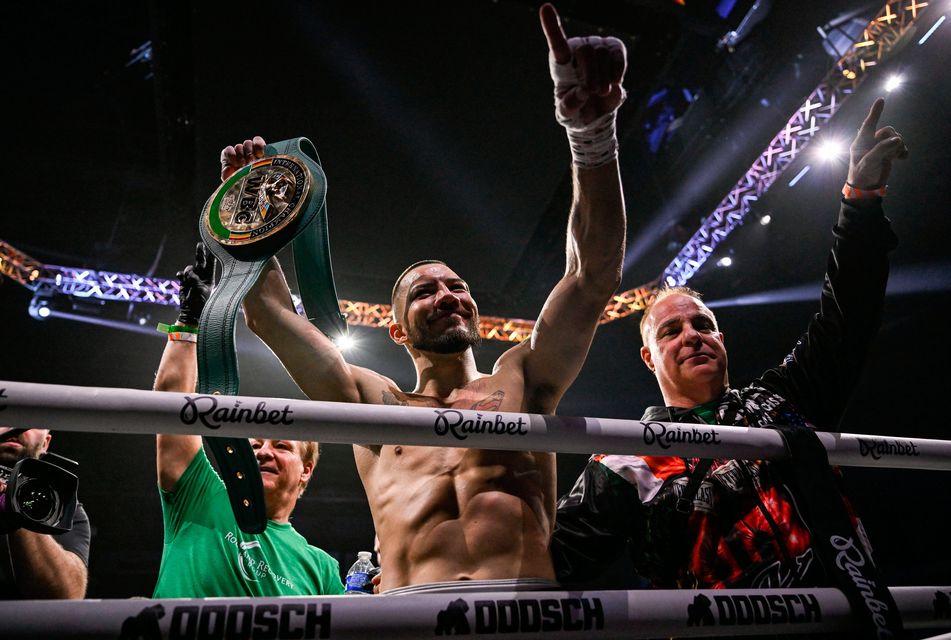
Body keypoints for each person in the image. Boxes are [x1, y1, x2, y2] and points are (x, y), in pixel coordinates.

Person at [219, 3, 627, 593]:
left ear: (477, 313)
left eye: (457, 286)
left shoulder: (523, 379)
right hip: (409, 613)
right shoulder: (371, 401)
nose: (447, 295)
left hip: (524, 610)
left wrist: (590, 135)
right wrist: (250, 207)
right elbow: (269, 314)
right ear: (397, 330)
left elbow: (592, 277)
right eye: (425, 291)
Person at [551, 97, 909, 590]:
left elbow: (849, 310)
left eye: (701, 325)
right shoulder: (626, 457)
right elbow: (554, 561)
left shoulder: (786, 400)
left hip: (855, 615)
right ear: (647, 358)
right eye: (670, 332)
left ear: (721, 338)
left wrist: (861, 201)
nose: (691, 336)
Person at [151, 244, 344, 597]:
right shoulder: (200, 494)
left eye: (282, 446)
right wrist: (191, 319)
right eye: (253, 444)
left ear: (307, 470)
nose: (263, 452)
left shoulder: (322, 568)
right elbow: (171, 403)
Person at [0, 427, 89, 599]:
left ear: (45, 444)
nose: (14, 427)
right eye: (6, 416)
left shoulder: (61, 510)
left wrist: (18, 498)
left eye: (29, 419)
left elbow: (67, 595)